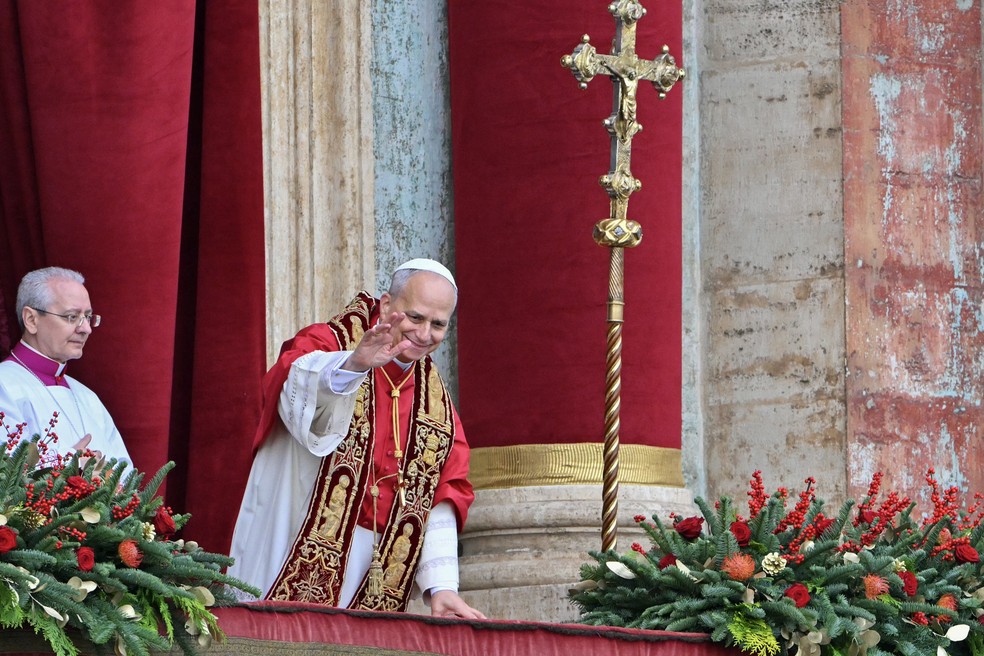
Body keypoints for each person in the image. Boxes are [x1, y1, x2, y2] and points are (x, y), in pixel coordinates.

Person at [229, 258, 484, 619]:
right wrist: (354, 366)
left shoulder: (435, 401)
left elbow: (447, 485)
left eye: (438, 324)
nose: (425, 335)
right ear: (386, 305)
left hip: (374, 569)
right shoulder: (330, 340)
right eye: (415, 317)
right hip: (292, 541)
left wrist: (441, 588)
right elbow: (292, 387)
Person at [0, 267, 131, 466]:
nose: (86, 329)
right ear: (31, 319)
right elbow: (9, 476)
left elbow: (126, 475)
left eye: (87, 317)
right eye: (72, 317)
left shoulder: (88, 397)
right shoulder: (4, 385)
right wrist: (74, 464)